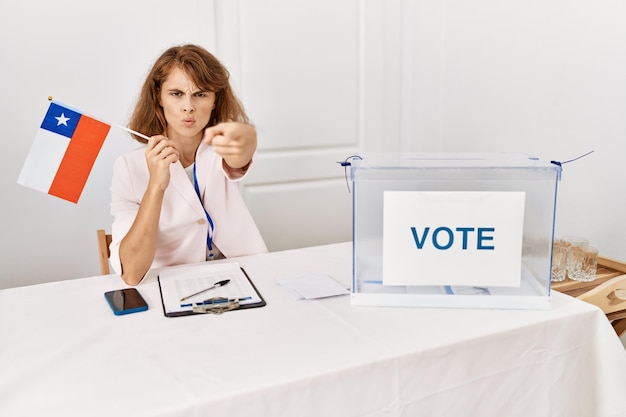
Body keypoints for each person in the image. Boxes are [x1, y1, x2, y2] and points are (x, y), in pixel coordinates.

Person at [109, 44, 267, 285]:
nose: (188, 107)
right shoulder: (129, 167)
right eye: (176, 93)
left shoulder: (220, 147)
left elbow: (239, 155)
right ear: (158, 97)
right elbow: (131, 273)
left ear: (215, 100)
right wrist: (156, 187)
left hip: (240, 274)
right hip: (174, 283)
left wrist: (248, 138)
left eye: (200, 94)